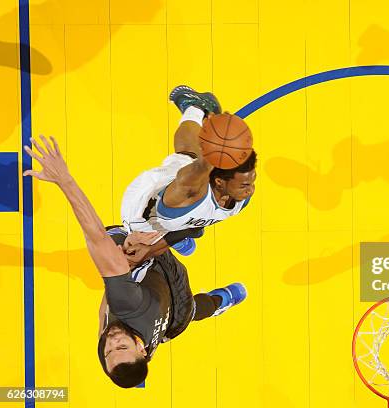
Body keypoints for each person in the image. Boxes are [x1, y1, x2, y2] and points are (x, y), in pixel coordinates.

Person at [24, 135, 247, 388]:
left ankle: (195, 262)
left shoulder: (119, 358)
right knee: (118, 240)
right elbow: (95, 235)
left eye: (108, 351)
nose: (111, 342)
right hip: (168, 291)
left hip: (163, 316)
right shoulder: (128, 304)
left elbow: (104, 318)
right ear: (142, 350)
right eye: (120, 345)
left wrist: (115, 280)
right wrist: (64, 179)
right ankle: (179, 243)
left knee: (184, 310)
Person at [120, 86, 257, 263]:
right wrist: (216, 137)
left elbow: (193, 226)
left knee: (187, 154)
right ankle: (197, 112)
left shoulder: (240, 199)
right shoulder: (187, 188)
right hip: (145, 212)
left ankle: (196, 107)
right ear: (219, 182)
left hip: (184, 206)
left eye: (251, 182)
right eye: (245, 185)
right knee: (189, 158)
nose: (250, 190)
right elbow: (199, 168)